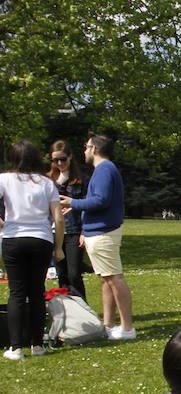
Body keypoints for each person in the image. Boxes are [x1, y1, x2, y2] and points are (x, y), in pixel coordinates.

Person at [60, 134, 135, 340]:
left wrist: (72, 203)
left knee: (114, 278)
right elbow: (97, 200)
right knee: (106, 280)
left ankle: (127, 328)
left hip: (103, 232)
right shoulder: (103, 170)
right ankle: (109, 325)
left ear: (94, 149)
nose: (84, 151)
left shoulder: (104, 170)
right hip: (98, 231)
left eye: (86, 147)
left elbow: (100, 200)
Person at [0, 140, 66, 360]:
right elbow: (58, 217)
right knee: (37, 292)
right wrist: (58, 248)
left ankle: (16, 347)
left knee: (17, 293)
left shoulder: (4, 179)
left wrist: (4, 224)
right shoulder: (47, 183)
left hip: (14, 238)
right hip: (41, 240)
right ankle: (37, 345)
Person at [49, 140, 88, 300]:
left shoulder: (81, 179)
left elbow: (88, 205)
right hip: (53, 231)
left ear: (70, 157)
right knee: (61, 274)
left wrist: (85, 231)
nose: (59, 163)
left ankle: (81, 307)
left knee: (74, 274)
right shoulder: (49, 180)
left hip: (74, 231)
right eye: (55, 160)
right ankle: (68, 311)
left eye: (63, 159)